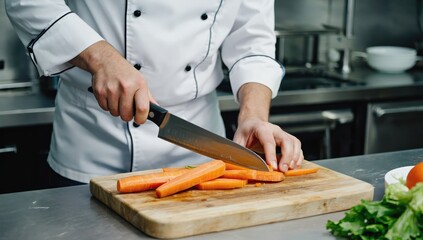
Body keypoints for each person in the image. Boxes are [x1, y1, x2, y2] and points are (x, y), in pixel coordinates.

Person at [5, 0, 304, 184]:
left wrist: (253, 116)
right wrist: (101, 58)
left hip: (199, 152)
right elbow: (30, 2)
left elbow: (252, 41)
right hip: (93, 144)